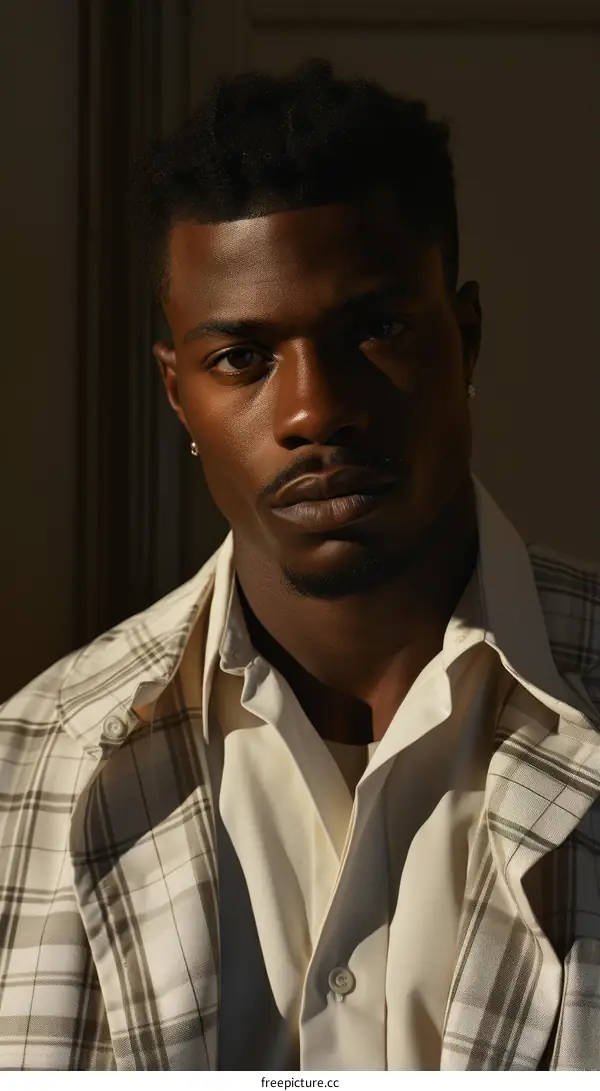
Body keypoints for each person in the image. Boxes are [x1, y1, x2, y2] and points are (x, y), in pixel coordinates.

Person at [1, 58, 600, 1073]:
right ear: (178, 394)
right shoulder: (31, 774)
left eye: (374, 331)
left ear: (466, 338)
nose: (316, 411)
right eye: (242, 357)